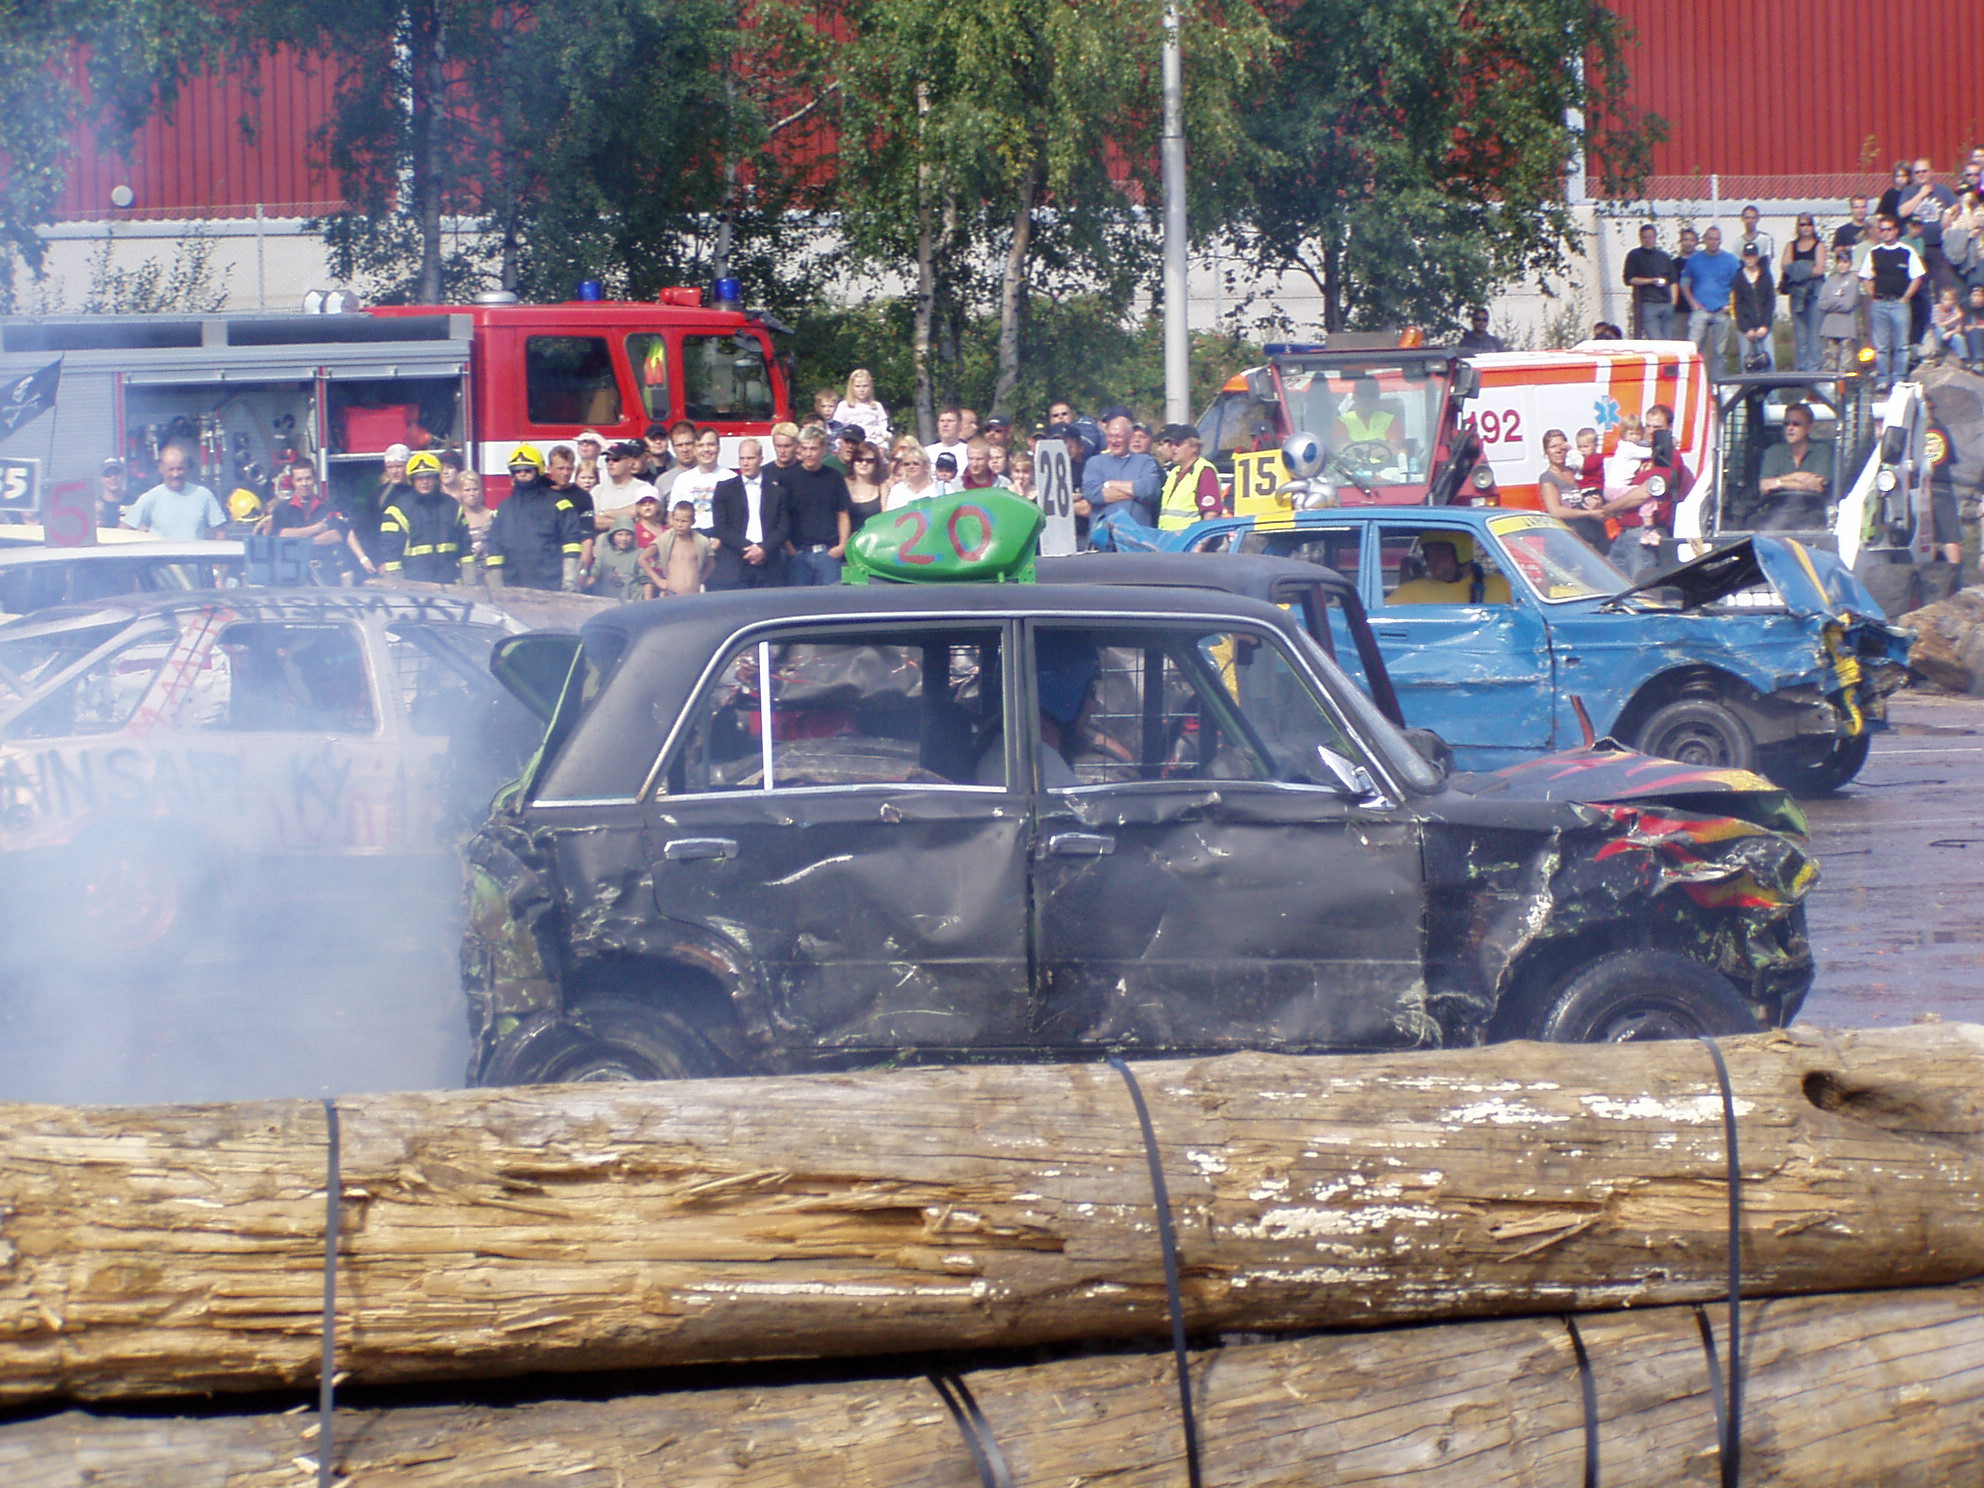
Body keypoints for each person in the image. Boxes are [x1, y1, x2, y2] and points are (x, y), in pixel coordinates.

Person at [485, 445, 589, 591]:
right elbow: (494, 548)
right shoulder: (503, 509)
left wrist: (570, 581)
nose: (522, 474)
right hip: (512, 587)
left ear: (539, 471)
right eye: (517, 471)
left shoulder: (559, 504)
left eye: (527, 470)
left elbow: (571, 543)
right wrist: (496, 587)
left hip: (550, 585)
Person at [379, 450, 471, 583]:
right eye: (419, 478)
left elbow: (466, 550)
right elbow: (391, 554)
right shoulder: (397, 510)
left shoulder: (452, 506)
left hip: (450, 583)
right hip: (415, 586)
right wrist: (397, 587)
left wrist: (470, 585)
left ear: (436, 479)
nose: (424, 482)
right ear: (412, 480)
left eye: (429, 477)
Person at [709, 438, 787, 589]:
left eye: (750, 458)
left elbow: (784, 527)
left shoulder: (777, 491)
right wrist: (749, 548)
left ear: (760, 459)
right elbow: (721, 526)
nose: (745, 463)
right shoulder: (724, 489)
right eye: (742, 458)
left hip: (768, 563)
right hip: (736, 561)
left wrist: (763, 549)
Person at [1860, 214, 1926, 390]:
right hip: (1879, 303)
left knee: (1901, 345)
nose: (1886, 233)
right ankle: (1883, 378)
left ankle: (1899, 378)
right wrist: (1872, 294)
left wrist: (1906, 298)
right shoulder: (1874, 253)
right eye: (1882, 230)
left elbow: (1917, 277)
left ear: (1896, 230)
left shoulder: (1907, 251)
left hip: (1899, 304)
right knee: (1881, 346)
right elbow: (1865, 276)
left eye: (1889, 229)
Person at [782, 428, 853, 585]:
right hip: (798, 553)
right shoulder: (787, 479)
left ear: (823, 450)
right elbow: (780, 517)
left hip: (828, 553)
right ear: (799, 450)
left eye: (813, 448)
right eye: (804, 448)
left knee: (831, 604)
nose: (808, 453)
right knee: (799, 603)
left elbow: (843, 513)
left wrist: (842, 545)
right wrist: (789, 548)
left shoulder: (834, 477)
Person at [1080, 412, 1164, 542]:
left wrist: (1110, 484)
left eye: (1118, 436)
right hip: (1105, 541)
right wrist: (1135, 494)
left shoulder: (1145, 462)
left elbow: (1150, 490)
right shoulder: (1094, 463)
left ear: (1129, 437)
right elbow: (1093, 494)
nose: (1113, 441)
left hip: (1140, 541)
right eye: (1110, 436)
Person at [122, 445, 225, 541]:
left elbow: (221, 531)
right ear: (161, 468)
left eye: (180, 469)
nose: (175, 474)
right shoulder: (150, 497)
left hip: (194, 559)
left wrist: (217, 560)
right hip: (162, 560)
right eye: (171, 469)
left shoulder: (204, 495)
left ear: (187, 467)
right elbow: (124, 530)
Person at [1387, 533, 1511, 605]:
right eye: (1429, 553)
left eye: (1441, 553)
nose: (1433, 559)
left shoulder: (1500, 584)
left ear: (1462, 553)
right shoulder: (1410, 591)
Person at [1537, 429, 1607, 553]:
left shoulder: (1577, 472)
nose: (1559, 451)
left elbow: (1597, 487)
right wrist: (1588, 514)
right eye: (1553, 447)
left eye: (1561, 446)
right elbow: (1555, 511)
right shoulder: (1547, 478)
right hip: (1564, 543)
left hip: (1590, 538)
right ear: (1546, 451)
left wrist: (1598, 501)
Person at [1681, 226, 1740, 370]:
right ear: (1705, 240)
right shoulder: (1694, 260)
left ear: (1720, 241)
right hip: (1700, 310)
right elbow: (1684, 283)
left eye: (1716, 239)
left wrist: (1731, 306)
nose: (1713, 242)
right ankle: (1697, 381)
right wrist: (1692, 302)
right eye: (1710, 238)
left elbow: (1739, 286)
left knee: (1720, 352)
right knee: (1694, 349)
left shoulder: (1731, 260)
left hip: (1722, 310)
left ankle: (1717, 384)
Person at [1757, 404, 1833, 512]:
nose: (1790, 428)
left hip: (1813, 516)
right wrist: (1799, 477)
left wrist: (1778, 482)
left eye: (1796, 424)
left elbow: (1817, 486)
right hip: (1776, 515)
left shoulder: (1822, 451)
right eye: (1786, 424)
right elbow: (1764, 485)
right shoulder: (1773, 452)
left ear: (1809, 427)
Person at [1900, 158, 1958, 292]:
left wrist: (1949, 212)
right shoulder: (1909, 191)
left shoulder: (1942, 190)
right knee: (1919, 289)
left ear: (1931, 172)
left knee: (1943, 287)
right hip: (1916, 248)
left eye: (1924, 171)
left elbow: (1956, 205)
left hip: (1939, 247)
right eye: (1917, 172)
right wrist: (1921, 194)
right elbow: (1902, 212)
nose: (1921, 174)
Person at [640, 500, 715, 596]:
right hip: (671, 594)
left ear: (693, 521)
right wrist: (658, 580)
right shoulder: (665, 539)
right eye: (677, 520)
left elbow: (711, 564)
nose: (680, 525)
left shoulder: (701, 541)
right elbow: (642, 559)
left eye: (684, 521)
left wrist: (700, 579)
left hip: (693, 594)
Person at [1155, 424, 1221, 531]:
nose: (1173, 448)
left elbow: (1211, 514)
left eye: (1178, 444)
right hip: (1169, 541)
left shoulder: (1204, 471)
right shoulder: (1174, 472)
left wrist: (1200, 545)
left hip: (1190, 542)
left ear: (1194, 447)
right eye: (1172, 444)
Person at [1782, 214, 1825, 371]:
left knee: (1815, 335)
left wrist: (1798, 269)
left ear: (1813, 227)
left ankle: (1814, 369)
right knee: (1800, 335)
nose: (1805, 227)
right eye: (1802, 224)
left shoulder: (1819, 246)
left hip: (1815, 294)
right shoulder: (1791, 246)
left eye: (1808, 224)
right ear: (1797, 227)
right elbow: (1786, 266)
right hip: (1797, 295)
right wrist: (1808, 267)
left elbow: (1820, 269)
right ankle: (1800, 371)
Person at [1624, 224, 1679, 339]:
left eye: (1651, 237)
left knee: (1668, 340)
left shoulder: (1663, 256)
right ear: (1640, 238)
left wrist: (1673, 303)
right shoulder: (1635, 255)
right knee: (1656, 340)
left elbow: (1673, 281)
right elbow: (1629, 279)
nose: (1648, 240)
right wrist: (1650, 281)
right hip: (1648, 303)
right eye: (1645, 237)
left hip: (1666, 303)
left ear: (1655, 237)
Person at [673, 427, 732, 532]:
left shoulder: (731, 478)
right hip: (690, 536)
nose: (706, 449)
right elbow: (672, 516)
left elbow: (737, 519)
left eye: (711, 444)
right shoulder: (682, 480)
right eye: (701, 445)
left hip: (721, 537)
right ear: (694, 450)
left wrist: (720, 539)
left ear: (719, 447)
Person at [1817, 247, 1864, 372]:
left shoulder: (1853, 280)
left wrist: (1831, 302)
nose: (1842, 265)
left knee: (1846, 365)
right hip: (1829, 327)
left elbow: (1847, 305)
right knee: (1829, 363)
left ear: (1850, 263)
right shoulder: (1830, 281)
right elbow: (1821, 303)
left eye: (1845, 262)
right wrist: (1837, 301)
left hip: (1846, 328)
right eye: (1840, 262)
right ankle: (1829, 389)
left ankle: (1845, 389)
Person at [1732, 241, 1778, 370]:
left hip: (1764, 326)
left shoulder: (1766, 275)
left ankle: (1772, 390)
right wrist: (1746, 329)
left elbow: (1770, 302)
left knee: (1769, 363)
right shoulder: (1738, 276)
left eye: (1752, 256)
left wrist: (1765, 325)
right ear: (1743, 257)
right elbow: (1737, 305)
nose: (1750, 259)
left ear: (1757, 257)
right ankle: (1748, 390)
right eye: (1747, 256)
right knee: (1747, 364)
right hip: (1746, 328)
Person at [593, 440, 657, 529]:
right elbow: (594, 521)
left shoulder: (644, 488)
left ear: (630, 462)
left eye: (616, 459)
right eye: (607, 460)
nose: (610, 463)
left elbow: (635, 511)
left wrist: (604, 513)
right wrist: (626, 522)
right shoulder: (597, 490)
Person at [588, 521, 648, 602]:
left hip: (632, 602)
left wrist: (647, 602)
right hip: (606, 601)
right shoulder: (604, 554)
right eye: (620, 534)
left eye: (628, 534)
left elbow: (647, 581)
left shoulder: (640, 554)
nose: (624, 538)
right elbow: (594, 577)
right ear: (612, 536)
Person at [833, 368, 891, 445]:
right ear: (851, 388)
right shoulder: (844, 405)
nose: (862, 390)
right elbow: (837, 426)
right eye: (857, 386)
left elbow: (884, 427)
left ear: (870, 387)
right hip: (851, 441)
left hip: (873, 442)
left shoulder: (877, 406)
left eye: (865, 386)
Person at [845, 441, 887, 530]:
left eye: (870, 461)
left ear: (876, 464)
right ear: (853, 462)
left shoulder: (882, 486)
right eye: (859, 460)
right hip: (849, 539)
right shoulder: (842, 484)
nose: (864, 463)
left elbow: (885, 516)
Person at [457, 470, 493, 572]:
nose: (472, 494)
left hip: (489, 571)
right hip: (466, 573)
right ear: (460, 492)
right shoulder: (457, 518)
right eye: (467, 490)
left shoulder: (492, 516)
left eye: (475, 489)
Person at [653, 420, 700, 497]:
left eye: (688, 444)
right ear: (673, 448)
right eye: (679, 445)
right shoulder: (662, 481)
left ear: (696, 444)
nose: (684, 450)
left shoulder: (710, 475)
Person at [925, 406, 969, 472]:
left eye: (950, 421)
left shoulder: (969, 452)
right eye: (942, 421)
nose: (945, 424)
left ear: (959, 425)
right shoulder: (927, 452)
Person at [96, 458, 129, 527]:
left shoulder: (136, 504)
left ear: (123, 475)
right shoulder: (95, 508)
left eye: (116, 473)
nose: (113, 478)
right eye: (107, 475)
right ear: (101, 478)